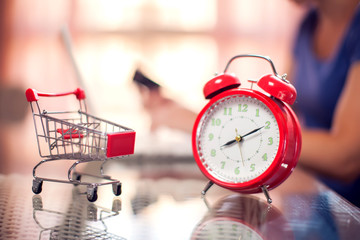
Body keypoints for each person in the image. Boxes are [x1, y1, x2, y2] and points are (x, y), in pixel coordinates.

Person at [139, 0, 360, 207]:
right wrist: (203, 117)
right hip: (312, 194)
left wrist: (199, 123)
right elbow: (279, 114)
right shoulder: (308, 25)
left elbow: (346, 159)